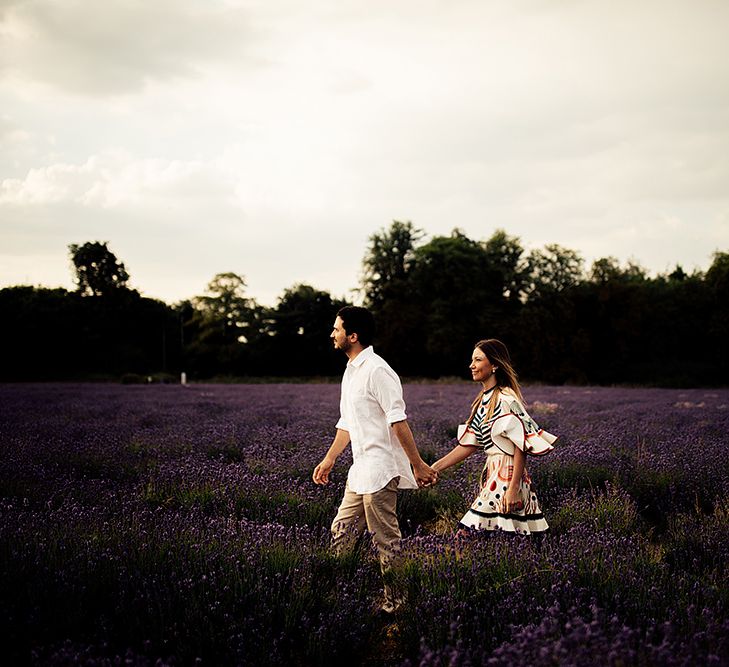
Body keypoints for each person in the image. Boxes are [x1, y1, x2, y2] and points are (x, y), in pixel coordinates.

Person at [313, 306, 437, 613]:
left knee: (385, 540)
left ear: (352, 336)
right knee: (340, 531)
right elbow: (347, 423)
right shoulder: (352, 370)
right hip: (360, 471)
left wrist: (417, 464)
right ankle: (338, 596)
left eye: (337, 329)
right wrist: (329, 459)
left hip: (381, 470)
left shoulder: (378, 370)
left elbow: (398, 420)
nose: (332, 334)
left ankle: (397, 605)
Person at [431, 339, 556, 534]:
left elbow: (522, 445)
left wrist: (513, 488)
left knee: (468, 532)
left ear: (495, 365)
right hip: (493, 474)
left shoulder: (506, 399)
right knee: (509, 535)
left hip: (507, 476)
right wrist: (434, 468)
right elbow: (470, 443)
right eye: (472, 360)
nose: (471, 365)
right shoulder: (483, 401)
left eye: (478, 360)